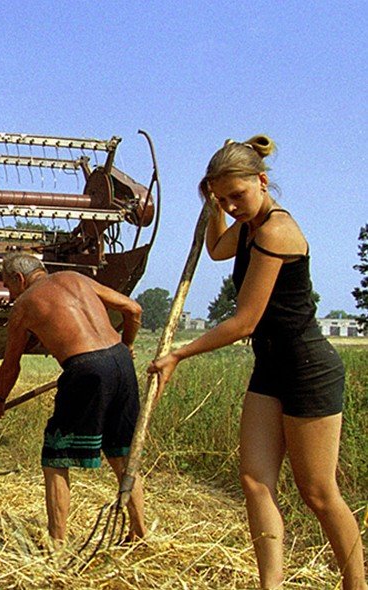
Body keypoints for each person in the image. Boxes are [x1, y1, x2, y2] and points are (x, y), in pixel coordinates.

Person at [148, 136, 365, 589]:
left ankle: (356, 584)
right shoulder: (246, 227)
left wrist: (179, 354)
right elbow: (216, 250)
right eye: (223, 197)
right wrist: (213, 208)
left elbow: (245, 321)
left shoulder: (276, 231)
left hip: (308, 368)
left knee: (318, 493)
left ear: (262, 182)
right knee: (254, 480)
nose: (233, 205)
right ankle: (271, 586)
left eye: (238, 196)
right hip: (270, 368)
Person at [0, 252, 147, 549]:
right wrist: (128, 345)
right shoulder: (76, 278)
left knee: (56, 457)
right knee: (122, 453)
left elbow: (11, 365)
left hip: (85, 368)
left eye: (8, 287)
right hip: (122, 363)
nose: (9, 295)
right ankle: (139, 532)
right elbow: (133, 309)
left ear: (19, 280)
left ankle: (56, 543)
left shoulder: (23, 306)